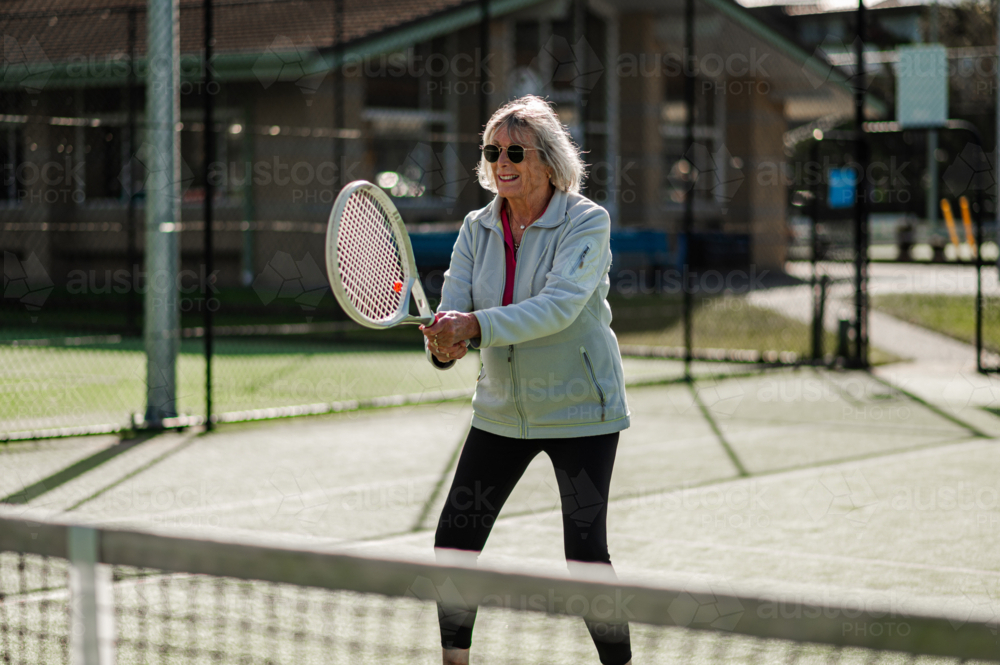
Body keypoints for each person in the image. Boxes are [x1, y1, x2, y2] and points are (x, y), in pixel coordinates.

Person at [419, 95, 633, 665]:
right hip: (500, 411)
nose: (501, 162)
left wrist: (473, 326)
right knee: (454, 542)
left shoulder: (587, 221)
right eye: (492, 151)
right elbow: (455, 309)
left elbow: (557, 307)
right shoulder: (475, 225)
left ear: (549, 160)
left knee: (586, 555)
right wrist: (446, 343)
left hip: (582, 410)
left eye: (516, 150)